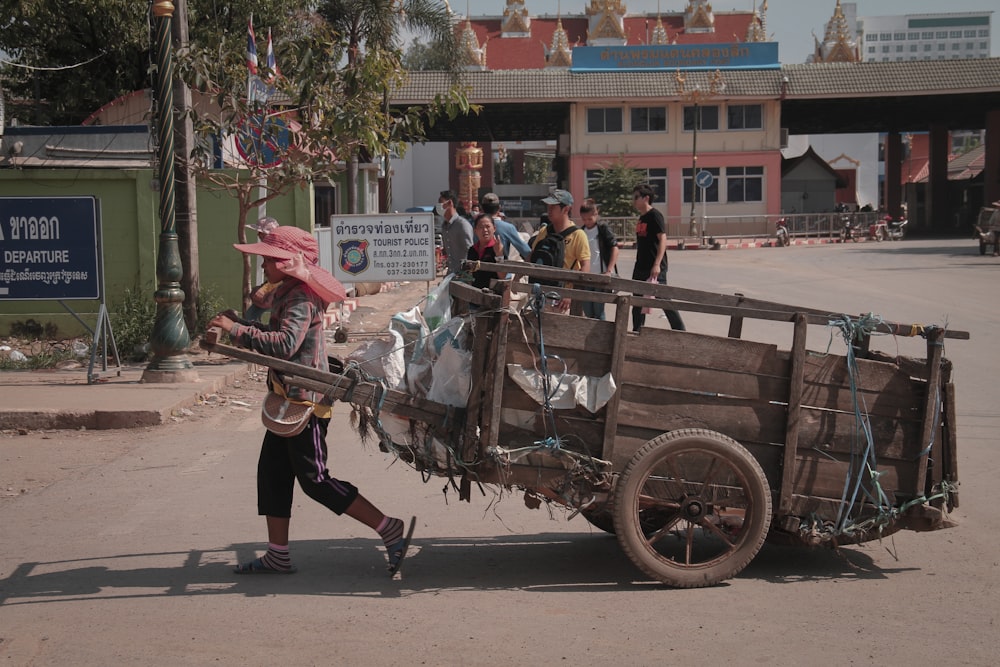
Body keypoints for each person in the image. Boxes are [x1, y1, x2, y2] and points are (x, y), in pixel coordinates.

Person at [208, 224, 414, 576]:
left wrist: (235, 330)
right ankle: (277, 554)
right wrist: (238, 323)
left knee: (315, 479)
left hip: (306, 402)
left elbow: (283, 344)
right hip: (286, 399)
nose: (263, 266)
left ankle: (388, 527)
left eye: (268, 260)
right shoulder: (287, 292)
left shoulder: (301, 297)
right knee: (272, 474)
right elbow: (275, 333)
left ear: (286, 263)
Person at [631, 184, 685, 332]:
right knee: (637, 301)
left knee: (663, 299)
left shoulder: (655, 215)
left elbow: (662, 239)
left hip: (654, 267)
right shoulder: (642, 218)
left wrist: (657, 264)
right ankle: (637, 331)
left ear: (646, 198)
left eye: (636, 197)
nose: (633, 200)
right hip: (640, 266)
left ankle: (680, 331)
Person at [529, 189, 590, 314]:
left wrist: (571, 294)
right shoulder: (544, 231)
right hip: (540, 293)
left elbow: (585, 266)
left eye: (553, 206)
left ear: (566, 209)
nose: (549, 210)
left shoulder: (578, 235)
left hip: (562, 299)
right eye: (548, 206)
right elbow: (532, 256)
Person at [579, 199, 619, 320]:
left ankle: (601, 336)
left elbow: (615, 248)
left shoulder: (602, 229)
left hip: (600, 275)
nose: (587, 222)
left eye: (589, 219)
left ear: (596, 214)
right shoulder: (581, 231)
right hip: (586, 276)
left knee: (598, 310)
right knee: (587, 310)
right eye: (584, 219)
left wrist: (609, 270)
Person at [243, 217, 281, 322]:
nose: (258, 235)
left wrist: (269, 290)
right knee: (252, 314)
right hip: (274, 284)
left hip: (280, 285)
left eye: (261, 233)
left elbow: (281, 274)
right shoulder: (268, 249)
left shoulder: (278, 250)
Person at [481, 192, 531, 260]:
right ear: (499, 208)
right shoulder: (508, 228)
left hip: (478, 268)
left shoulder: (474, 227)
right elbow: (526, 252)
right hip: (500, 268)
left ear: (482, 209)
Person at [436, 190, 474, 275]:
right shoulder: (444, 226)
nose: (438, 206)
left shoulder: (462, 225)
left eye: (440, 202)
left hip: (463, 275)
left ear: (450, 203)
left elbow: (470, 251)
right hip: (451, 273)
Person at [466, 214, 501, 289]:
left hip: (493, 294)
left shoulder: (498, 248)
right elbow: (469, 274)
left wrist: (499, 255)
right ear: (475, 230)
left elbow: (502, 276)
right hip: (474, 293)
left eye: (488, 227)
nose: (485, 230)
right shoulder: (472, 250)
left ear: (494, 228)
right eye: (481, 227)